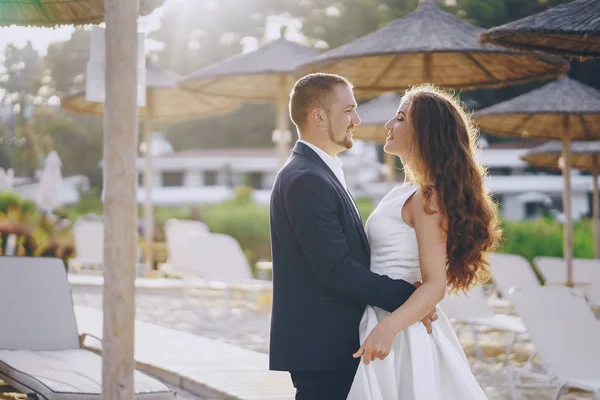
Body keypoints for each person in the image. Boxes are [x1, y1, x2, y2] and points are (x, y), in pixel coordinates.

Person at [268, 73, 437, 400]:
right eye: (348, 110)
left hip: (333, 344)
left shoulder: (318, 171)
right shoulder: (306, 178)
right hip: (323, 347)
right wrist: (409, 297)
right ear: (318, 116)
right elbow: (334, 269)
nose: (357, 120)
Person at [347, 84, 502, 400]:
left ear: (426, 134)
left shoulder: (427, 197)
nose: (390, 125)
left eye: (401, 118)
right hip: (383, 315)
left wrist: (386, 330)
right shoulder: (404, 192)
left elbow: (435, 285)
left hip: (398, 329)